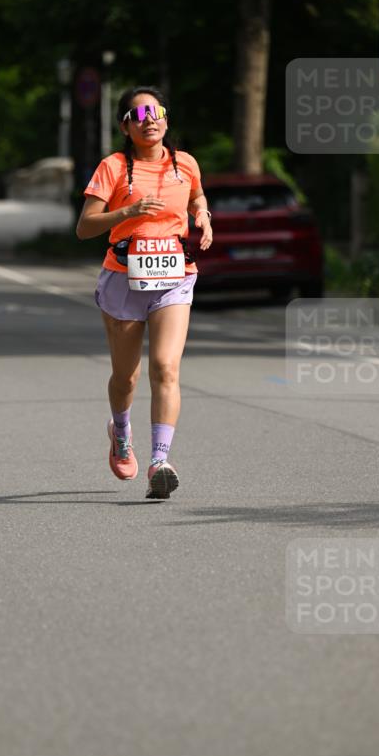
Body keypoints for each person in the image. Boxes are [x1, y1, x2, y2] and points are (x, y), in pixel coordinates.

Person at [76, 86, 213, 499]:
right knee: (127, 376)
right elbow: (85, 227)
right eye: (140, 114)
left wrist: (203, 216)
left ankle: (160, 461)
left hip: (174, 275)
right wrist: (129, 212)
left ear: (166, 120)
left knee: (166, 368)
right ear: (126, 126)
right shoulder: (113, 167)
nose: (149, 119)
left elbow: (197, 196)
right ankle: (120, 432)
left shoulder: (184, 164)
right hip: (123, 278)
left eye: (157, 112)